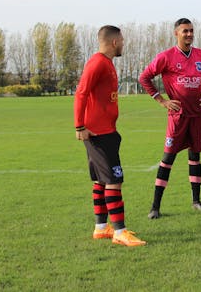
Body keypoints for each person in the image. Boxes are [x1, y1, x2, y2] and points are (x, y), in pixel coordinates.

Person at [139, 18, 201, 220]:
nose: (189, 34)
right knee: (167, 159)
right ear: (176, 33)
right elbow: (145, 78)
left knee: (195, 157)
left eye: (191, 31)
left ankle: (196, 201)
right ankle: (155, 206)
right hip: (177, 117)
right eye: (185, 31)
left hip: (197, 115)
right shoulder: (166, 57)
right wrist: (162, 101)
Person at [74, 25, 146, 247]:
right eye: (122, 40)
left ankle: (100, 228)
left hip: (107, 132)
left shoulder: (106, 64)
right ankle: (119, 232)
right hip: (99, 134)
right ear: (114, 42)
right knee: (114, 181)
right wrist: (79, 127)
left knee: (100, 180)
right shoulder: (97, 63)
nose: (124, 43)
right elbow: (81, 92)